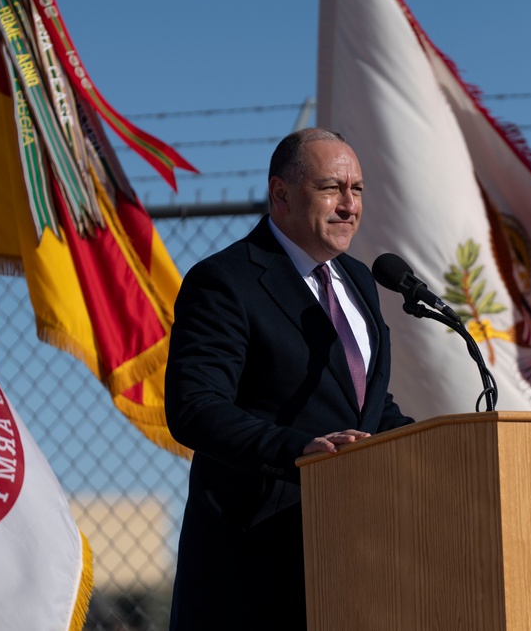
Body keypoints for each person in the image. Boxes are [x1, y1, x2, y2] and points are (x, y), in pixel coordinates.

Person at [165, 128, 413, 630]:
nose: (349, 205)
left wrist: (431, 443)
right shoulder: (225, 281)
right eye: (331, 188)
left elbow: (366, 404)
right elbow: (195, 406)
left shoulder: (360, 280)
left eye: (358, 190)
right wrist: (300, 452)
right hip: (257, 562)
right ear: (280, 193)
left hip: (355, 555)